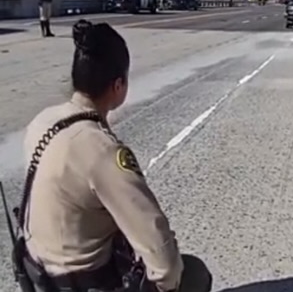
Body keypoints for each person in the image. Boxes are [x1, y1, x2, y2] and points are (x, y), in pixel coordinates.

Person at [16, 19, 212, 292]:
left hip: (39, 277)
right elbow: (161, 256)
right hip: (87, 283)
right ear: (118, 85)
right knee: (193, 275)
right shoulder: (103, 151)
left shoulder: (42, 122)